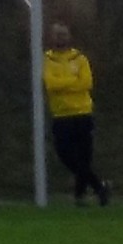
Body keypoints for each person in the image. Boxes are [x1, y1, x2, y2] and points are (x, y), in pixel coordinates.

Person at [43, 22, 109, 206]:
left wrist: (64, 84)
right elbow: (51, 85)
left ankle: (80, 197)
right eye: (58, 35)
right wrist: (73, 81)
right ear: (52, 37)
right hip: (61, 115)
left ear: (69, 36)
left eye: (63, 34)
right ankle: (99, 186)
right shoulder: (48, 60)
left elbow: (86, 83)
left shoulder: (80, 59)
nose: (61, 38)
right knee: (65, 154)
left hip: (82, 112)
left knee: (84, 157)